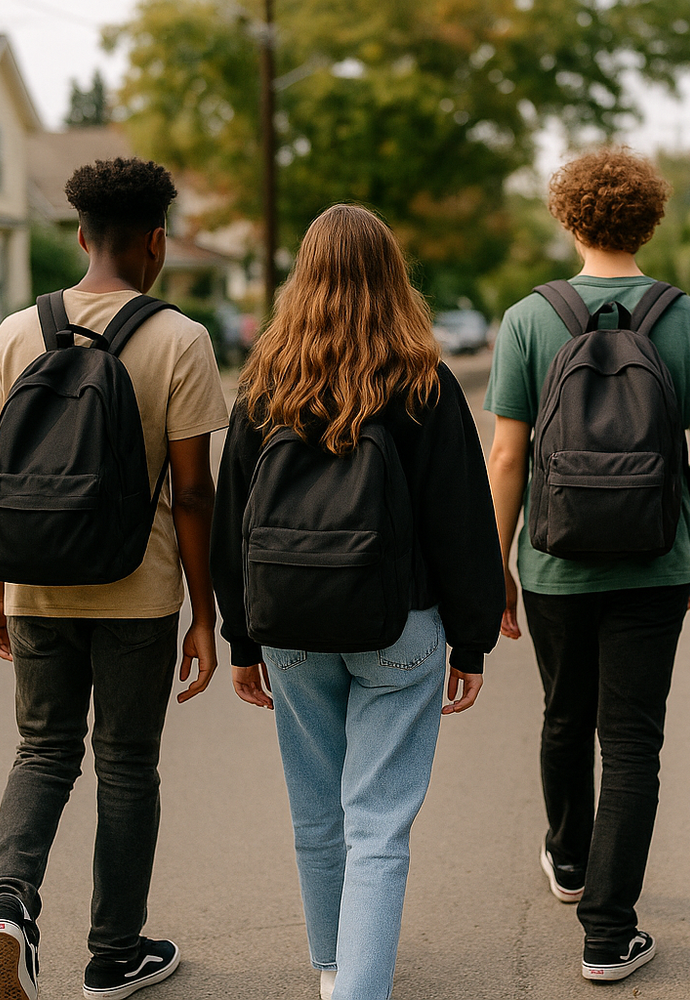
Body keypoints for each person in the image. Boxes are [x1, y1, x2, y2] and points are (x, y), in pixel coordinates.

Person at [212, 204, 503, 1000]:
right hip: (399, 629)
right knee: (378, 824)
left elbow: (233, 518)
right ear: (391, 277)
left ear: (303, 279)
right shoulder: (422, 383)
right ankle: (357, 992)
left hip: (292, 629)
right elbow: (462, 522)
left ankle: (334, 970)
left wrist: (242, 638)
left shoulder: (266, 383)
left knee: (317, 815)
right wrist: (472, 644)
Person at [0, 157, 229, 1000]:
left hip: (37, 583)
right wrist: (204, 613)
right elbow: (194, 491)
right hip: (137, 592)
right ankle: (114, 953)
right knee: (125, 765)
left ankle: (6, 910)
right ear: (157, 242)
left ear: (81, 236)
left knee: (42, 752)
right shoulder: (180, 339)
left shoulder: (16, 332)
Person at [484, 148, 690, 982]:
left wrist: (498, 569)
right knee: (632, 740)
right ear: (651, 220)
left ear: (568, 218)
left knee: (565, 715)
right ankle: (609, 931)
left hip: (553, 563)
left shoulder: (528, 320)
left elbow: (506, 460)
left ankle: (567, 860)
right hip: (653, 560)